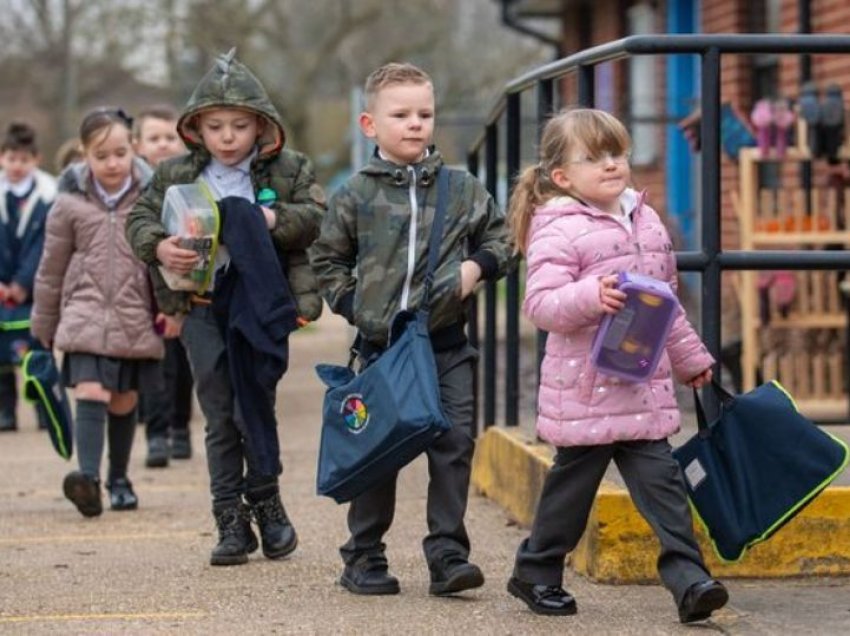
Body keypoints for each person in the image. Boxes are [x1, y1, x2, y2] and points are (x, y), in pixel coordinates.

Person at [504, 108, 728, 624]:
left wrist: (689, 359)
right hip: (586, 390)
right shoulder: (558, 227)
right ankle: (536, 571)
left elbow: (665, 300)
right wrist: (589, 295)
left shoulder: (645, 219)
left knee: (665, 486)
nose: (611, 164)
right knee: (570, 494)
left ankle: (690, 580)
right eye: (594, 157)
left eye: (618, 153)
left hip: (642, 388)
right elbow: (540, 304)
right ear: (562, 176)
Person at [310, 62, 511, 597]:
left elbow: (502, 240)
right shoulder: (355, 195)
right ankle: (364, 556)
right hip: (383, 353)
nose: (415, 124)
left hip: (447, 347)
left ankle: (447, 555)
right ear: (370, 124)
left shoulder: (462, 188)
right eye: (400, 115)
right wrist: (357, 306)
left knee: (453, 446)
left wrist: (476, 269)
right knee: (380, 453)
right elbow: (326, 260)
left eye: (425, 113)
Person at [126, 49, 325, 567]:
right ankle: (230, 520)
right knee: (218, 412)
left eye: (240, 125)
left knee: (252, 404)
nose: (229, 136)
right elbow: (140, 219)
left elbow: (314, 218)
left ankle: (268, 503)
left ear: (262, 126)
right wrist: (158, 246)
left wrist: (270, 218)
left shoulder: (290, 169)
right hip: (201, 305)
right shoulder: (174, 174)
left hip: (258, 305)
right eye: (216, 126)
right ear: (196, 128)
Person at [31, 108, 165, 517]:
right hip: (83, 312)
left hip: (134, 313)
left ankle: (119, 478)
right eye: (101, 155)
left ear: (134, 150)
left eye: (120, 153)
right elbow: (51, 267)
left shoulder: (152, 198)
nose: (112, 163)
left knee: (123, 400)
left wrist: (171, 311)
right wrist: (44, 320)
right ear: (84, 156)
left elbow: (163, 262)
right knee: (90, 390)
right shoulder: (68, 204)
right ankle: (87, 479)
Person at [132, 104, 195, 468]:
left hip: (177, 285)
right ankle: (155, 432)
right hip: (138, 287)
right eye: (153, 138)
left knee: (178, 361)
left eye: (169, 137)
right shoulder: (133, 187)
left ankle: (179, 427)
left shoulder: (189, 186)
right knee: (148, 362)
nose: (162, 145)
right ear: (139, 145)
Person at [0, 122, 57, 431]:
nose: (17, 166)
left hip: (35, 290)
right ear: (2, 158)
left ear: (35, 160)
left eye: (23, 160)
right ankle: (5, 410)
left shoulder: (50, 196)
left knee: (38, 349)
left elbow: (46, 245)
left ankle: (43, 407)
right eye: (11, 158)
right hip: (1, 287)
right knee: (1, 353)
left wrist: (23, 283)